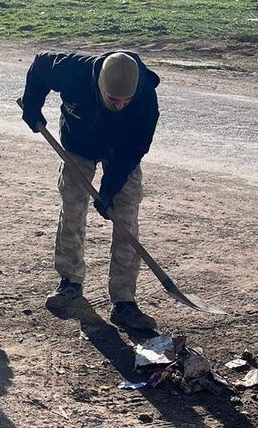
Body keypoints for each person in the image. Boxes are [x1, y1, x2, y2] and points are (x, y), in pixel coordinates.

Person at [21, 51, 160, 330]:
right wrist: (32, 106)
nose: (120, 106)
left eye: (126, 102)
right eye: (113, 100)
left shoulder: (146, 101)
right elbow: (39, 67)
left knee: (125, 218)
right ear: (100, 86)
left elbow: (135, 149)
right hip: (78, 144)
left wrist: (110, 188)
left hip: (120, 152)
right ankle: (70, 283)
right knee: (72, 208)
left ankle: (124, 301)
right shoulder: (72, 71)